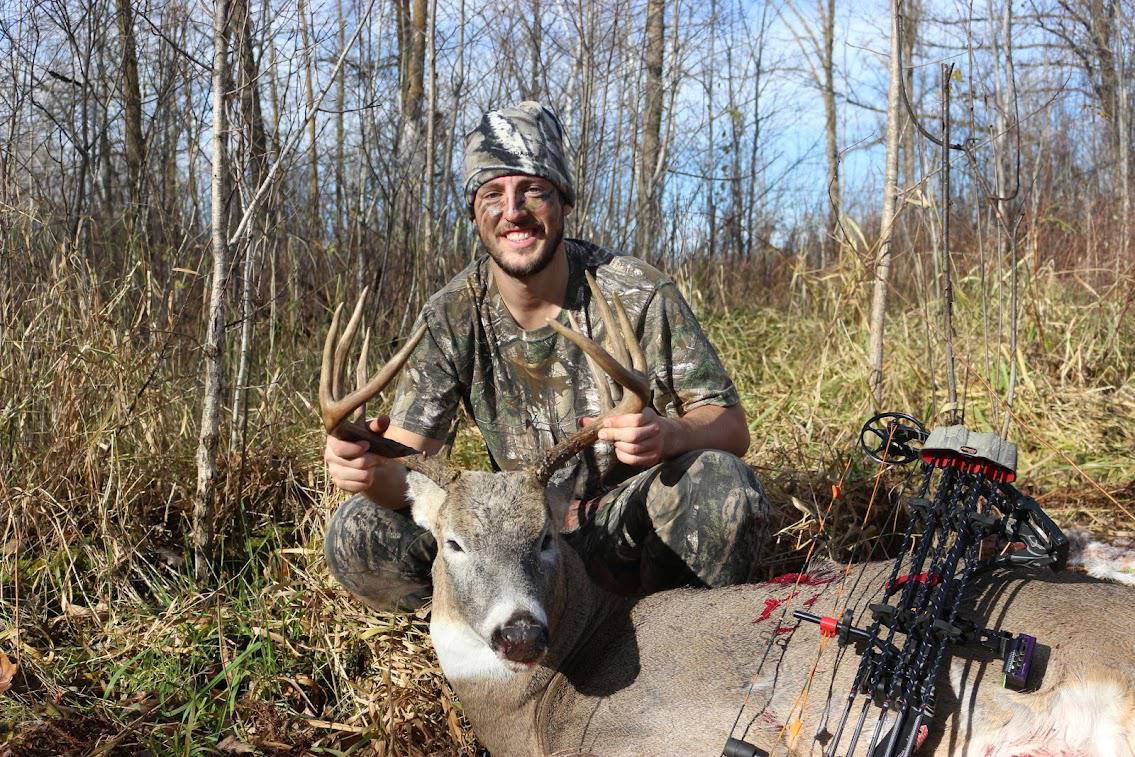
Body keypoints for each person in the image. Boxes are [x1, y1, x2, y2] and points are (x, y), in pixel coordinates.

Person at [323, 101, 769, 611]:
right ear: (474, 214)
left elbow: (732, 428)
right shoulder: (451, 315)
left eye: (533, 190)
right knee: (358, 533)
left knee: (722, 487)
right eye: (492, 194)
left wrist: (672, 433)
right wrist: (365, 469)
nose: (513, 211)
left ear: (564, 202)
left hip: (615, 528)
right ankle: (492, 625)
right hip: (509, 541)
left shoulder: (634, 291)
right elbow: (406, 472)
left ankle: (665, 633)